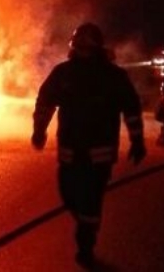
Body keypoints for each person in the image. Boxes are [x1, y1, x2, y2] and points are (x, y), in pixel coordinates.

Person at [31, 23, 146, 268]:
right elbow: (45, 102)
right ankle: (85, 227)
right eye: (79, 46)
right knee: (69, 196)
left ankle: (86, 243)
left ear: (96, 49)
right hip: (70, 153)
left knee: (91, 202)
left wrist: (137, 140)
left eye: (87, 47)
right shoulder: (63, 74)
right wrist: (39, 130)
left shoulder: (113, 76)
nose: (82, 51)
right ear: (73, 48)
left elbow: (131, 109)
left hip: (99, 156)